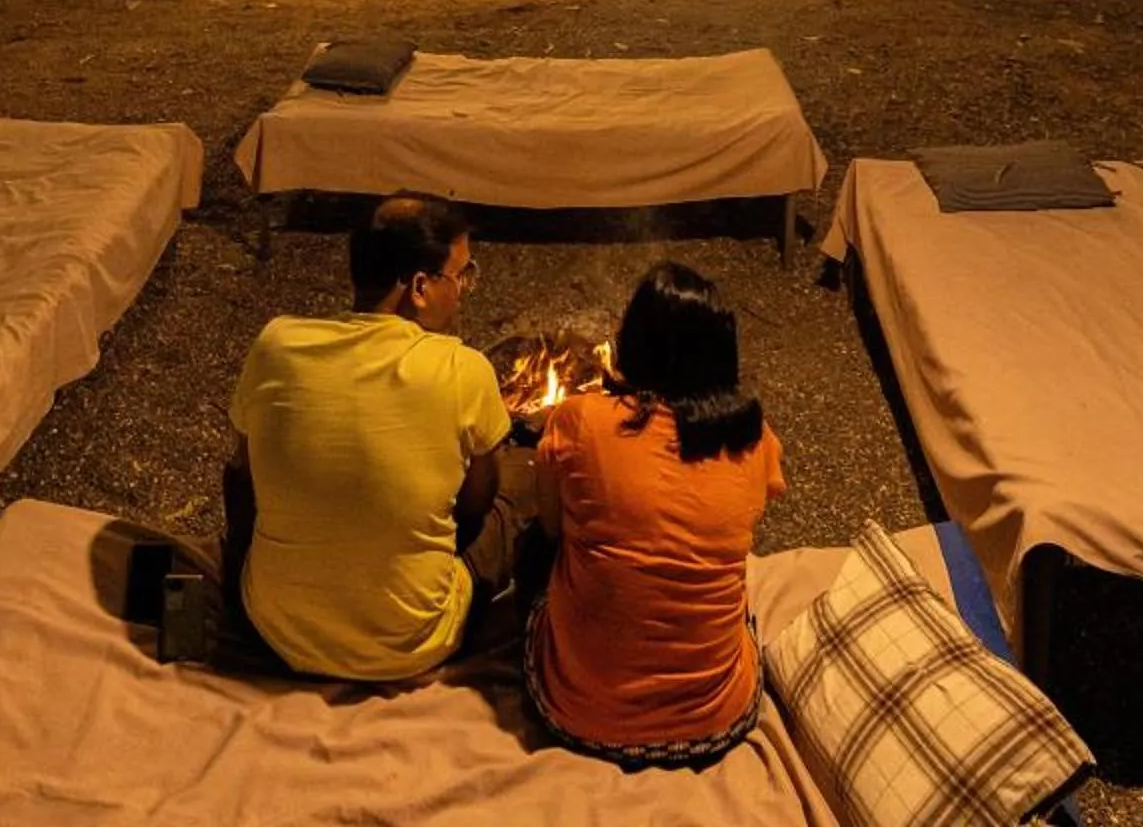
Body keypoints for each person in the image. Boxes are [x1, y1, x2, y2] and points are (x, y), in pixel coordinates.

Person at [223, 192, 529, 681]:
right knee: (518, 479)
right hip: (414, 641)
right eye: (462, 274)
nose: (466, 289)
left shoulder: (276, 344)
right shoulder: (461, 369)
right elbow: (476, 505)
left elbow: (242, 476)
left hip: (276, 627)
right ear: (421, 287)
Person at [525, 260, 785, 769]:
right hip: (718, 723)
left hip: (574, 715)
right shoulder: (753, 439)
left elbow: (552, 530)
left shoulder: (579, 420)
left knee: (535, 553)